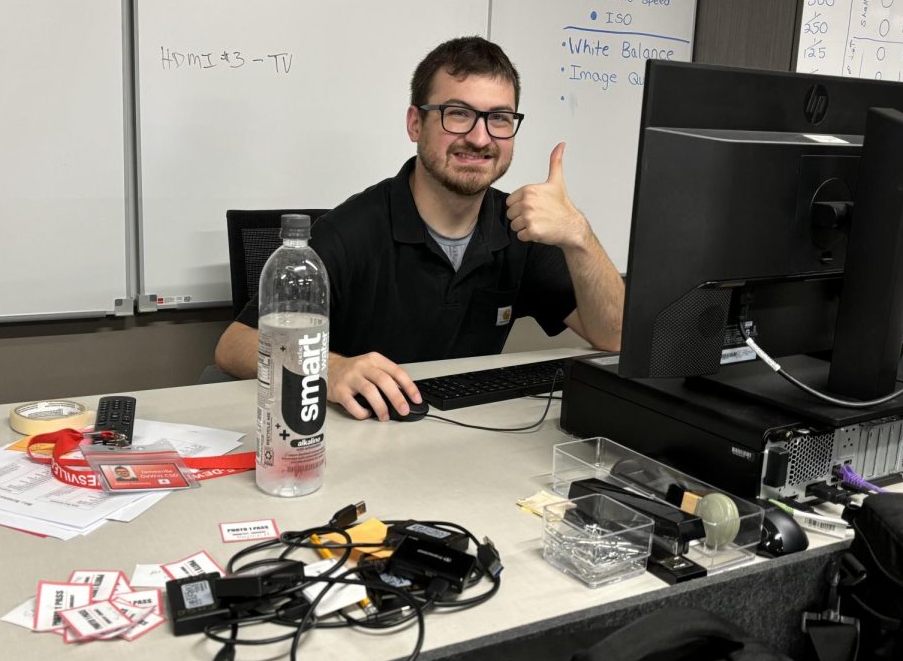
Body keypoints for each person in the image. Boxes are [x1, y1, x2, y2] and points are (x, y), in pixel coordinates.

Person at [215, 36, 624, 420]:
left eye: (498, 118)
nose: (480, 138)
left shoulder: (519, 227)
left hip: (465, 436)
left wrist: (579, 236)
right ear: (415, 124)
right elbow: (234, 345)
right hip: (359, 438)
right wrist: (328, 368)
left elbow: (617, 338)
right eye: (458, 114)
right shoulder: (352, 230)